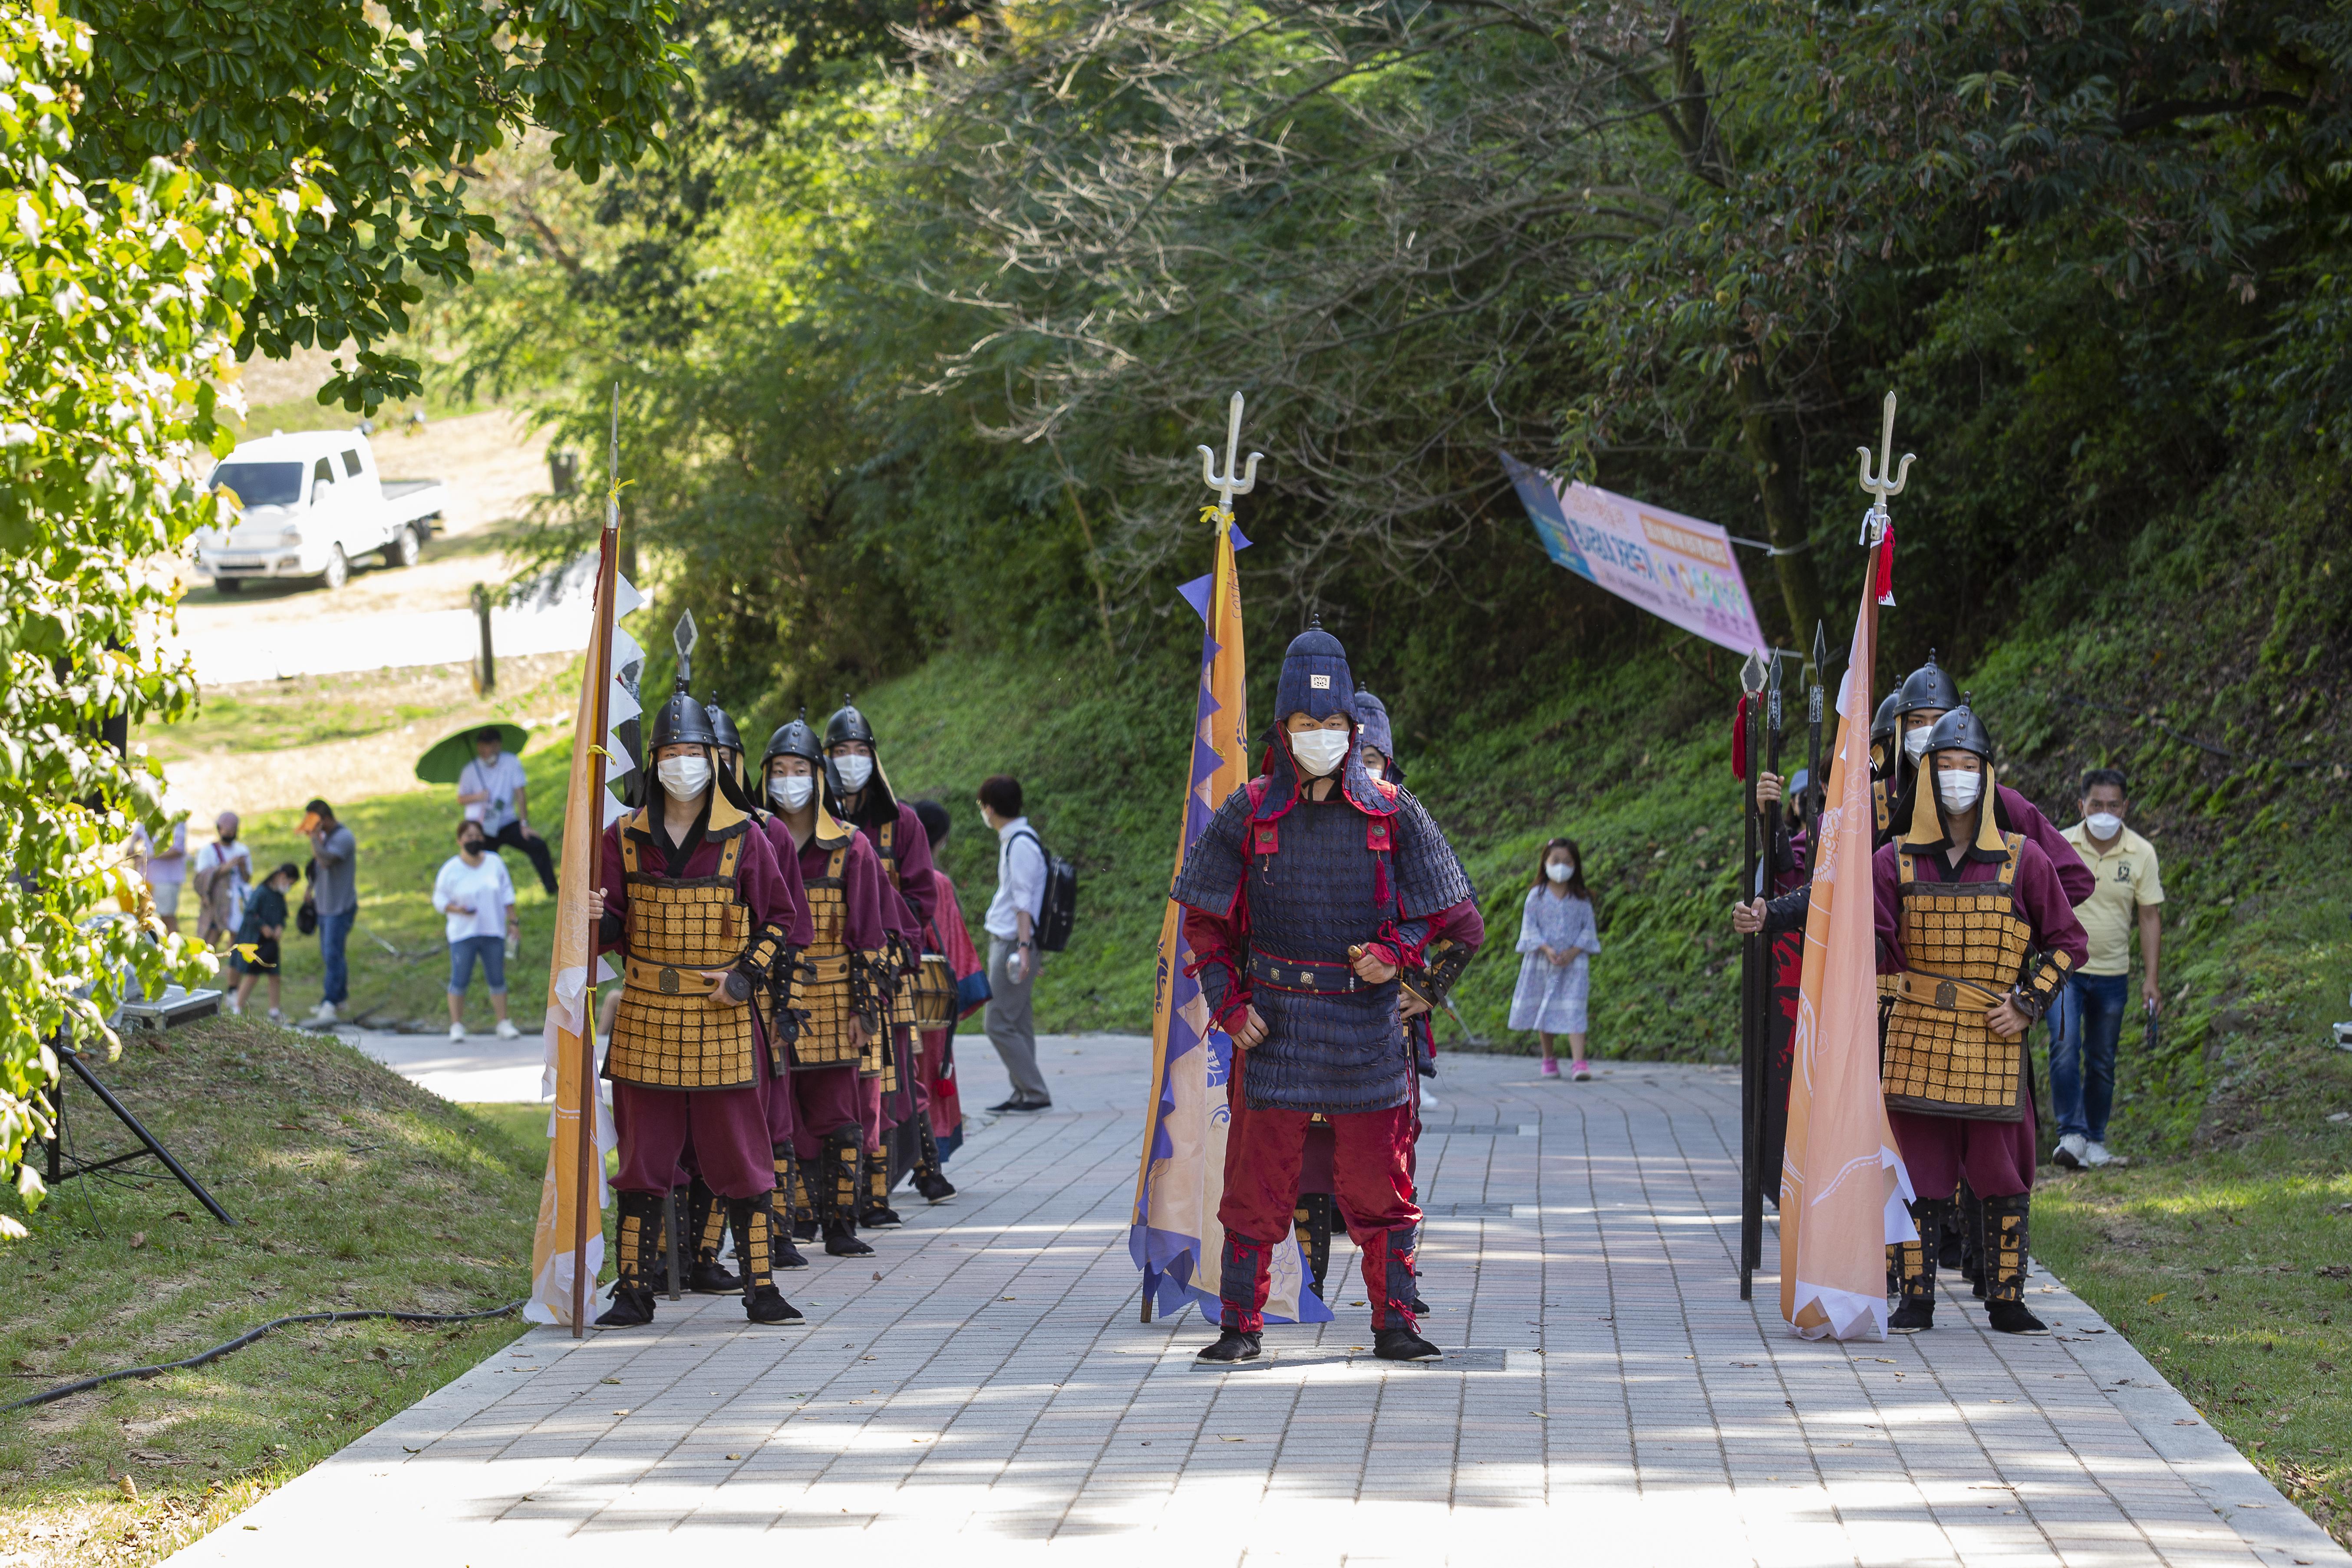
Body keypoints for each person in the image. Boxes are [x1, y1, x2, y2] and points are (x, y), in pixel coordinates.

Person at [1171, 624, 1480, 1365]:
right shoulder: (1249, 811)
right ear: (1283, 729)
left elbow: (1455, 918)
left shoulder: (1392, 810)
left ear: (1354, 727)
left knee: (1381, 1185)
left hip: (1365, 1025)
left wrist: (1403, 964)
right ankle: (1239, 1325)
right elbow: (1204, 921)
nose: (1322, 736)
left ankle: (1394, 1322)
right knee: (1256, 1184)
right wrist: (1230, 1005)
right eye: (1308, 725)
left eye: (1334, 724)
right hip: (1272, 1025)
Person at [1736, 704, 2086, 1335]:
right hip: (1916, 1029)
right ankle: (1915, 1299)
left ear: (1987, 775)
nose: (1956, 776)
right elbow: (1833, 896)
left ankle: (2006, 1298)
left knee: (2000, 1171)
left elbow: (2067, 940)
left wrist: (2028, 1000)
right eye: (1944, 766)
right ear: (1924, 776)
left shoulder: (2023, 857)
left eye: (1968, 766)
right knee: (1913, 1173)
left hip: (1991, 1034)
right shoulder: (1894, 860)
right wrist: (1772, 912)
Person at [594, 657, 801, 1328]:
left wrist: (744, 976)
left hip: (721, 1016)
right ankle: (633, 1289)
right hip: (647, 1015)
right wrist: (593, 918)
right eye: (672, 753)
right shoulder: (621, 838)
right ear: (652, 761)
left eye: (693, 753)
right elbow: (610, 930)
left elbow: (782, 918)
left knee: (741, 1154)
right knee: (643, 1158)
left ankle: (761, 1286)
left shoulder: (747, 837)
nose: (683, 764)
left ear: (713, 761)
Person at [763, 712, 892, 1258]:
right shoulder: (751, 836)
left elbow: (868, 930)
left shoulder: (850, 845)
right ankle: (783, 1228)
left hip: (834, 993)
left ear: (818, 775)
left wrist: (865, 1008)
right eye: (779, 770)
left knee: (839, 1115)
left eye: (799, 768)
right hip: (770, 997)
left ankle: (841, 1223)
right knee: (776, 1116)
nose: (788, 780)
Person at [1883, 654, 2096, 907]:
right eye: (1917, 721)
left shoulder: (2003, 803)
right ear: (1900, 727)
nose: (1929, 731)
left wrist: (2012, 926)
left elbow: (2075, 878)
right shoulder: (1872, 804)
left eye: (1940, 720)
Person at [2051, 767, 2164, 1170]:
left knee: (2102, 1058)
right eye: (2095, 804)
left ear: (2125, 807)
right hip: (2063, 970)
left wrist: (2151, 980)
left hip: (2113, 974)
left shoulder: (2141, 853)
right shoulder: (2060, 845)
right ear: (2080, 805)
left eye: (2112, 804)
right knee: (2064, 1048)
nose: (2104, 811)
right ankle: (2071, 1134)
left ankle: (2095, 1139)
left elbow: (2149, 916)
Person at [908, 797, 978, 1195]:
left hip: (876, 992)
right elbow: (952, 944)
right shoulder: (938, 883)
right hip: (926, 997)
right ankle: (927, 1167)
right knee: (929, 1076)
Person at [977, 774, 1050, 1113]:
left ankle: (1034, 1090)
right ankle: (1024, 1092)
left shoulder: (1020, 843)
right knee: (1018, 1020)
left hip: (1012, 942)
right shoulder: (1018, 838)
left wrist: (1023, 948)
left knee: (996, 1022)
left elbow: (1023, 901)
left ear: (989, 809)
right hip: (1017, 940)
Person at [1509, 839, 1600, 1080]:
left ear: (1576, 865)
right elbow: (1530, 928)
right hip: (1542, 961)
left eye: (1567, 862)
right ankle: (1548, 1059)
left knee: (1575, 1007)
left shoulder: (1581, 898)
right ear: (1545, 863)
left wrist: (1574, 951)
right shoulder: (1536, 897)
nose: (1561, 866)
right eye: (1556, 861)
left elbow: (1588, 929)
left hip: (1574, 964)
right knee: (1545, 1005)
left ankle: (1579, 1063)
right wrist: (1546, 948)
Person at [432, 819, 521, 1041]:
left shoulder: (494, 862)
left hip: (492, 930)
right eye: (469, 836)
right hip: (463, 932)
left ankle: (503, 1023)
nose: (474, 840)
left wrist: (513, 922)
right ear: (459, 840)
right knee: (459, 979)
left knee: (497, 978)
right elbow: (439, 899)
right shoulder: (451, 869)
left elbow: (506, 893)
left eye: (477, 836)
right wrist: (458, 910)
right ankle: (456, 1026)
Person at [457, 728, 556, 896]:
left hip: (507, 821)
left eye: (489, 746)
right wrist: (479, 797)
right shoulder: (470, 770)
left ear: (498, 746)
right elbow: (461, 799)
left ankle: (552, 889)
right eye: (481, 747)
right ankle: (482, 894)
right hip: (482, 826)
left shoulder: (511, 762)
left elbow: (520, 793)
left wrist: (524, 824)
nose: (484, 751)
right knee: (480, 858)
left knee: (537, 845)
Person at [302, 799, 358, 1025]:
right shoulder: (325, 838)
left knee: (333, 954)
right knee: (330, 954)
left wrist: (314, 839)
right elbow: (316, 867)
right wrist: (310, 889)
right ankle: (339, 998)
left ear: (323, 819)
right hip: (324, 905)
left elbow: (325, 861)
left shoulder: (344, 837)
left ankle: (330, 1002)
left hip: (340, 906)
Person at [227, 862, 299, 1021]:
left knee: (275, 976)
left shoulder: (279, 896)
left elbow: (281, 915)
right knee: (252, 975)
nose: (289, 886)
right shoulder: (261, 892)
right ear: (281, 876)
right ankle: (237, 1008)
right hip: (257, 941)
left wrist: (279, 927)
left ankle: (274, 1010)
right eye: (289, 882)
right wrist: (263, 927)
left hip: (271, 943)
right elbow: (250, 914)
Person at [191, 812, 252, 950]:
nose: (231, 834)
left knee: (237, 936)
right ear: (220, 829)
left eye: (233, 831)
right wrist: (226, 867)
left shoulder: (242, 850)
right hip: (216, 900)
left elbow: (247, 879)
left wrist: (242, 867)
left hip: (238, 900)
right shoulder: (207, 851)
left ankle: (232, 964)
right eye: (228, 830)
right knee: (212, 936)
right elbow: (202, 878)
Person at [138, 818, 188, 935]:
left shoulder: (176, 819)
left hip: (167, 879)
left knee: (168, 918)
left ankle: (176, 950)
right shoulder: (150, 814)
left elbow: (178, 849)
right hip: (147, 878)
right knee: (143, 917)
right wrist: (131, 847)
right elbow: (138, 833)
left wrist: (150, 857)